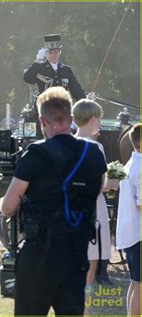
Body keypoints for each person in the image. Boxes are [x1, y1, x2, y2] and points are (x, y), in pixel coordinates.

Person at [0, 87, 106, 315]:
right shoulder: (94, 154)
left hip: (40, 253)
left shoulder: (36, 154)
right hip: (77, 253)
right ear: (70, 118)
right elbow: (97, 191)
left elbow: (8, 208)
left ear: (42, 120)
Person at [71, 99, 118, 314]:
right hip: (92, 212)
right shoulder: (95, 147)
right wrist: (115, 180)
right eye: (98, 118)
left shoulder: (67, 144)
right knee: (89, 267)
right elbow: (100, 185)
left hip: (72, 211)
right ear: (92, 119)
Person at [116, 123, 141, 317]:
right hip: (139, 235)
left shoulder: (131, 164)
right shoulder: (140, 167)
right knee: (139, 285)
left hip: (132, 233)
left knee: (136, 283)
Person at [23, 34, 86, 102]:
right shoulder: (39, 67)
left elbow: (76, 89)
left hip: (61, 106)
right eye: (50, 52)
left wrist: (84, 101)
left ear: (60, 52)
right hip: (43, 106)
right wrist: (38, 60)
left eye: (56, 52)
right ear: (45, 54)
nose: (53, 55)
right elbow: (28, 79)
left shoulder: (65, 69)